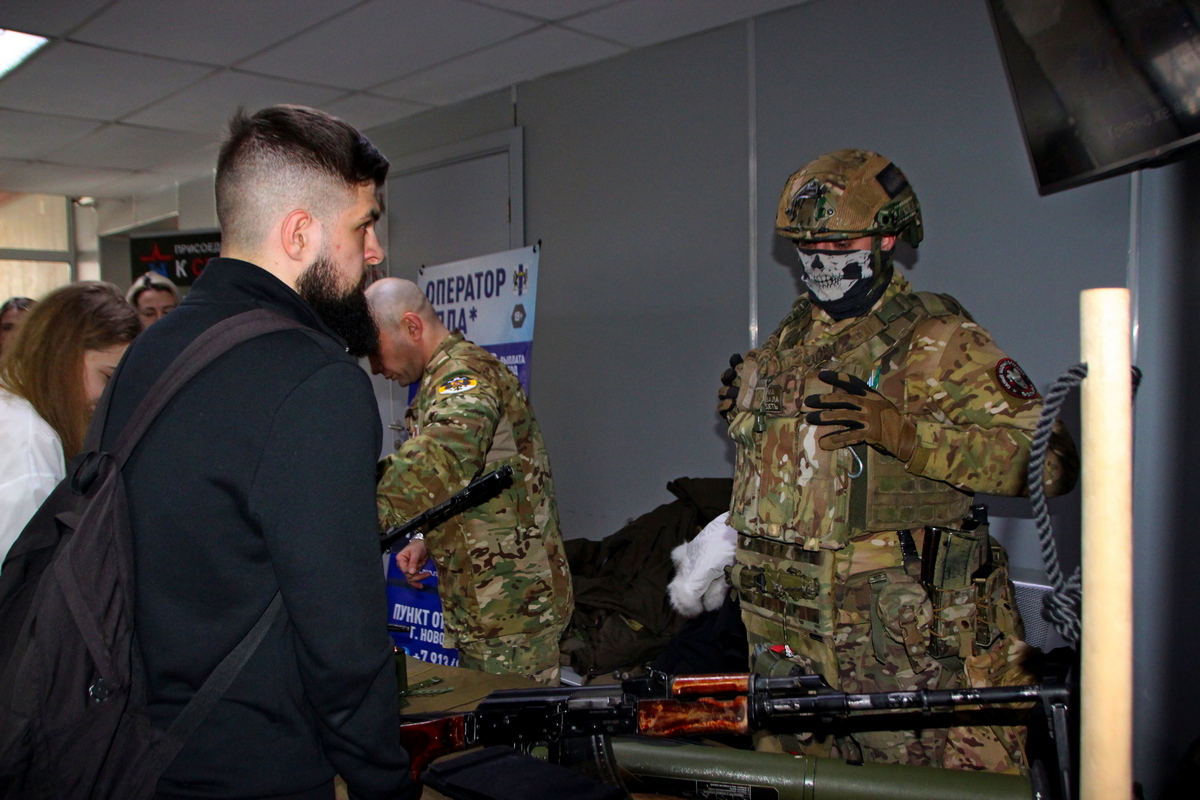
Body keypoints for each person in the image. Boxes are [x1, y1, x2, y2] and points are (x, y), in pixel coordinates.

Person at [720, 149, 1078, 772]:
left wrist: (908, 437)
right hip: (788, 640)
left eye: (839, 244)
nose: (820, 261)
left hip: (906, 651)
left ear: (888, 238)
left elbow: (1053, 465)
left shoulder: (938, 342)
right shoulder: (785, 346)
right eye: (807, 245)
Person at [98, 106, 413, 800]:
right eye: (362, 225)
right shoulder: (314, 381)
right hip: (255, 769)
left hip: (132, 755)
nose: (374, 251)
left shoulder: (149, 355)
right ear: (299, 233)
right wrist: (384, 783)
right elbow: (343, 642)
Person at [370, 277, 573, 686]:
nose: (375, 367)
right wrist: (424, 538)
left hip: (514, 612)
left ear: (411, 326)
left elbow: (442, 458)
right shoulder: (440, 379)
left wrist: (350, 508)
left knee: (517, 724)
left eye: (376, 350)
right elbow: (469, 480)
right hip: (487, 607)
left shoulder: (464, 374)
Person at [0, 283, 138, 563]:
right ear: (64, 358)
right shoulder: (31, 446)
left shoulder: (12, 407)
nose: (111, 397)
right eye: (108, 378)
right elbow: (19, 576)